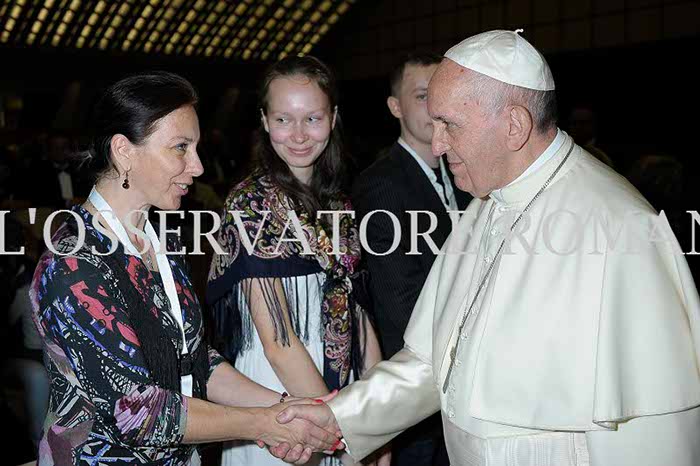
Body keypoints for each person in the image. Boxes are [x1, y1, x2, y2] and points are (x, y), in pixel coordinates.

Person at [274, 30, 700, 466]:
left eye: (449, 125)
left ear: (514, 125)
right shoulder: (487, 201)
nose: (437, 145)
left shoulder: (620, 224)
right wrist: (336, 417)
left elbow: (654, 429)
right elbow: (433, 360)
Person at [30, 71, 341, 466]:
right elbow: (139, 412)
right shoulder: (72, 265)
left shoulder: (161, 241)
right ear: (124, 151)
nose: (196, 167)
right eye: (180, 147)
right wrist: (266, 424)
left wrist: (288, 406)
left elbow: (196, 361)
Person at [206, 56, 387, 466]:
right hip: (284, 396)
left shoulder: (338, 202)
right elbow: (279, 344)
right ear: (265, 121)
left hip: (342, 390)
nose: (300, 135)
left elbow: (357, 312)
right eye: (284, 119)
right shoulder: (251, 204)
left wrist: (377, 416)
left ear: (334, 117)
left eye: (313, 118)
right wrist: (346, 433)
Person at [351, 53, 471, 466]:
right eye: (421, 96)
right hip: (422, 382)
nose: (435, 109)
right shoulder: (382, 184)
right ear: (395, 107)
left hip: (461, 384)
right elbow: (400, 304)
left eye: (440, 96)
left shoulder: (466, 175)